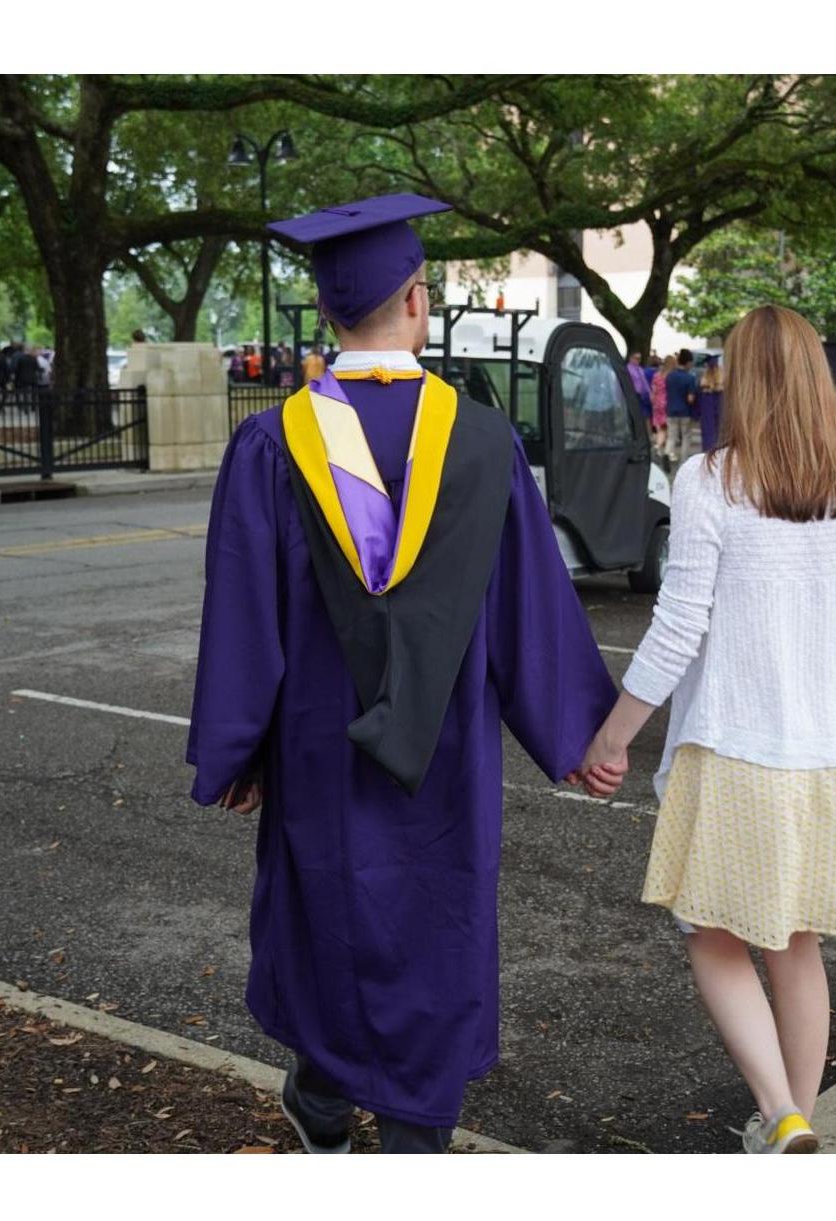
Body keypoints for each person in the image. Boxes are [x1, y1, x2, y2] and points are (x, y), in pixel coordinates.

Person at [187, 193, 621, 1157]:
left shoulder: (270, 444)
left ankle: (326, 1097)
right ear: (418, 299)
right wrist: (579, 736)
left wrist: (235, 750)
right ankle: (416, 1143)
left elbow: (244, 621)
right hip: (445, 758)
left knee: (325, 910)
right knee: (436, 919)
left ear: (330, 313)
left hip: (315, 746)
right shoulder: (481, 443)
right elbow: (529, 609)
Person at [574, 304, 836, 1154]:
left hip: (741, 748)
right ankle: (790, 1122)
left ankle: (781, 1115)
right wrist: (828, 640)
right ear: (817, 379)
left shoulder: (710, 480)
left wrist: (614, 734)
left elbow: (677, 625)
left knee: (712, 930)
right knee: (797, 942)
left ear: (742, 383)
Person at [666, 348, 701, 467]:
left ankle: (667, 454)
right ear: (688, 363)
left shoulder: (670, 376)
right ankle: (683, 460)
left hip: (671, 410)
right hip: (685, 411)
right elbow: (690, 399)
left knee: (671, 436)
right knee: (686, 436)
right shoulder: (690, 378)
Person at [696, 355, 723, 452]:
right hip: (721, 415)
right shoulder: (723, 387)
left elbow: (697, 403)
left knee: (708, 437)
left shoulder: (702, 385)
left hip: (706, 416)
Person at [651, 354, 674, 457]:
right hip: (668, 402)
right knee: (668, 428)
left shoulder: (657, 375)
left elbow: (653, 390)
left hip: (657, 403)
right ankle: (663, 448)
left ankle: (658, 448)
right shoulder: (671, 376)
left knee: (660, 427)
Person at [627, 350, 653, 427]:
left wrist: (650, 392)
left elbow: (644, 382)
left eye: (639, 358)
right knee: (634, 415)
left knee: (645, 415)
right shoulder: (628, 369)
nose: (638, 360)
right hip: (633, 395)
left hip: (642, 395)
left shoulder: (640, 369)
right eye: (636, 358)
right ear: (631, 358)